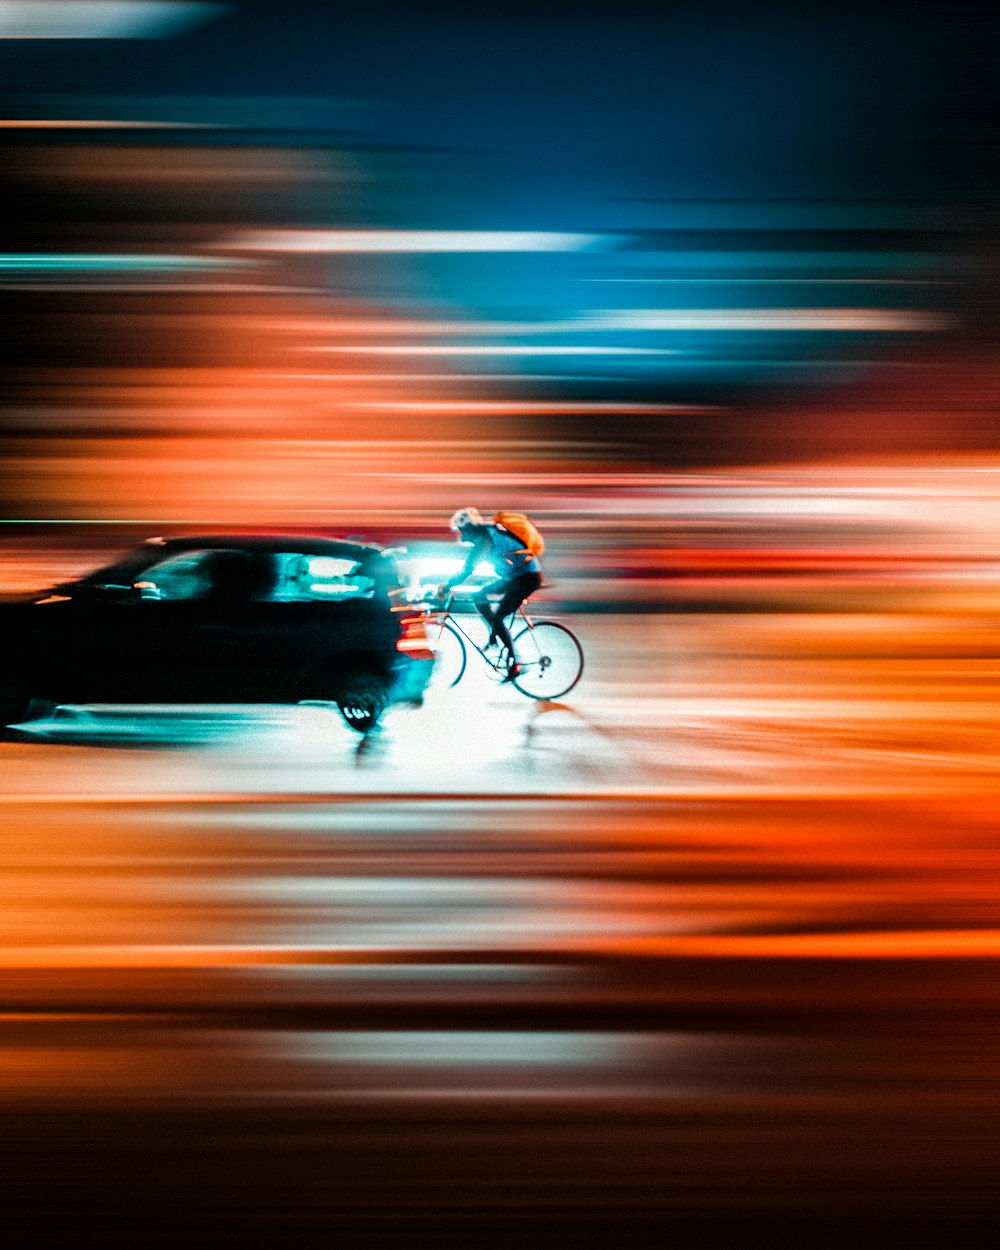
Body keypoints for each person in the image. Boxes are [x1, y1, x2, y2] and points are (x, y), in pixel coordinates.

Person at [439, 507, 543, 681]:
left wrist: (447, 586)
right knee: (478, 596)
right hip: (514, 577)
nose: (459, 535)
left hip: (527, 578)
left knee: (499, 617)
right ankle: (494, 636)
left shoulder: (484, 540)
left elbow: (468, 568)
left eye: (460, 531)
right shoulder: (485, 535)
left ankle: (517, 663)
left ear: (469, 528)